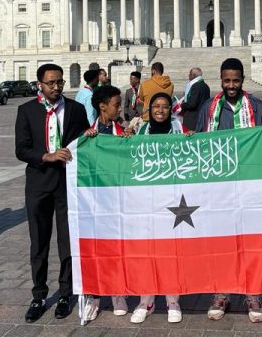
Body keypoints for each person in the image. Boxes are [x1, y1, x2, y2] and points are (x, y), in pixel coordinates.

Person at [15, 63, 90, 323]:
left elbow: (84, 139)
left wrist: (91, 135)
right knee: (40, 241)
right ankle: (39, 295)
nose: (56, 87)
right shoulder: (26, 111)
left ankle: (66, 293)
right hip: (38, 182)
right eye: (51, 83)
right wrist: (45, 156)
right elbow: (21, 149)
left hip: (66, 182)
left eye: (59, 82)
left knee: (67, 240)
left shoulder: (76, 109)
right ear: (40, 85)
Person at [196, 57, 262, 323]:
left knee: (250, 242)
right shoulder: (209, 108)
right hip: (219, 189)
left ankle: (252, 293)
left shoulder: (257, 107)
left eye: (236, 80)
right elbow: (202, 145)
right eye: (227, 81)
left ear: (243, 79)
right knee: (222, 242)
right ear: (220, 80)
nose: (231, 85)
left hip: (250, 186)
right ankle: (222, 292)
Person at [129, 92, 184, 324]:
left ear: (171, 109)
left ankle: (173, 301)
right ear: (149, 110)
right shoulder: (141, 131)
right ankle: (147, 300)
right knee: (146, 251)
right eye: (156, 106)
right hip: (146, 200)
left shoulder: (178, 129)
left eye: (164, 106)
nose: (160, 110)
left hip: (171, 200)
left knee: (171, 252)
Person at [80, 84, 129, 322]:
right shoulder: (88, 133)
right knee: (95, 249)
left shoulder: (123, 132)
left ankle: (118, 293)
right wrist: (84, 141)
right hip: (94, 201)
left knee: (118, 248)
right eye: (116, 105)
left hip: (117, 200)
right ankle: (95, 296)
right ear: (102, 106)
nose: (119, 109)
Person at [179, 67, 210, 131]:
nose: (188, 75)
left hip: (193, 119)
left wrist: (182, 105)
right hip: (202, 117)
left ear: (193, 75)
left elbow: (192, 104)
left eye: (189, 74)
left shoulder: (195, 86)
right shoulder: (205, 86)